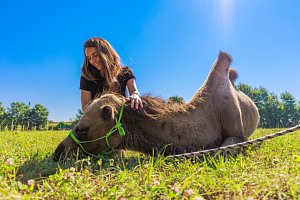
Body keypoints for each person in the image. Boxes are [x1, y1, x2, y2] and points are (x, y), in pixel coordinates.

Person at [80, 37, 143, 111]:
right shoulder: (86, 77)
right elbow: (85, 109)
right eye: (89, 58)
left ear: (106, 53)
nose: (92, 61)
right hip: (96, 120)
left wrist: (135, 95)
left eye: (95, 55)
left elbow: (134, 91)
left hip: (120, 117)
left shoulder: (126, 72)